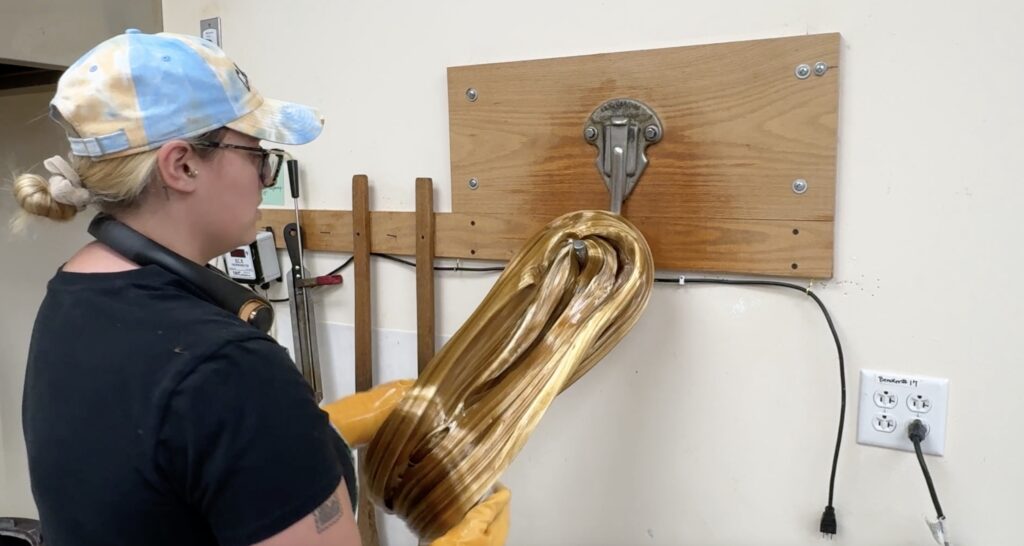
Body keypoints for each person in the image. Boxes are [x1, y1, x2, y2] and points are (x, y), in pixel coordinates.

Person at [13, 29, 508, 546]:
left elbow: (158, 475)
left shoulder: (70, 297)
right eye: (257, 155)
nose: (264, 175)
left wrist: (315, 437)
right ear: (181, 165)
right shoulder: (228, 368)